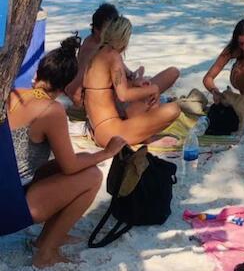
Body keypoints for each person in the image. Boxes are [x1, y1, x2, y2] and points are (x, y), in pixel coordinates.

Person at [5, 35, 126, 268]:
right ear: (66, 86)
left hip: (9, 188)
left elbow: (64, 162)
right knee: (92, 176)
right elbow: (71, 166)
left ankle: (48, 238)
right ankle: (46, 252)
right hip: (9, 207)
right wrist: (106, 153)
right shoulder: (51, 110)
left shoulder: (12, 95)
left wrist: (90, 157)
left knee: (76, 163)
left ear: (37, 74)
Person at [82, 16, 181, 146]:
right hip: (110, 132)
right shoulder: (113, 56)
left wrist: (137, 83)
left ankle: (146, 135)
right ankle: (148, 138)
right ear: (124, 39)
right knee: (173, 109)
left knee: (154, 91)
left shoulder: (99, 53)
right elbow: (123, 95)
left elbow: (109, 89)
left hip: (101, 129)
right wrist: (153, 89)